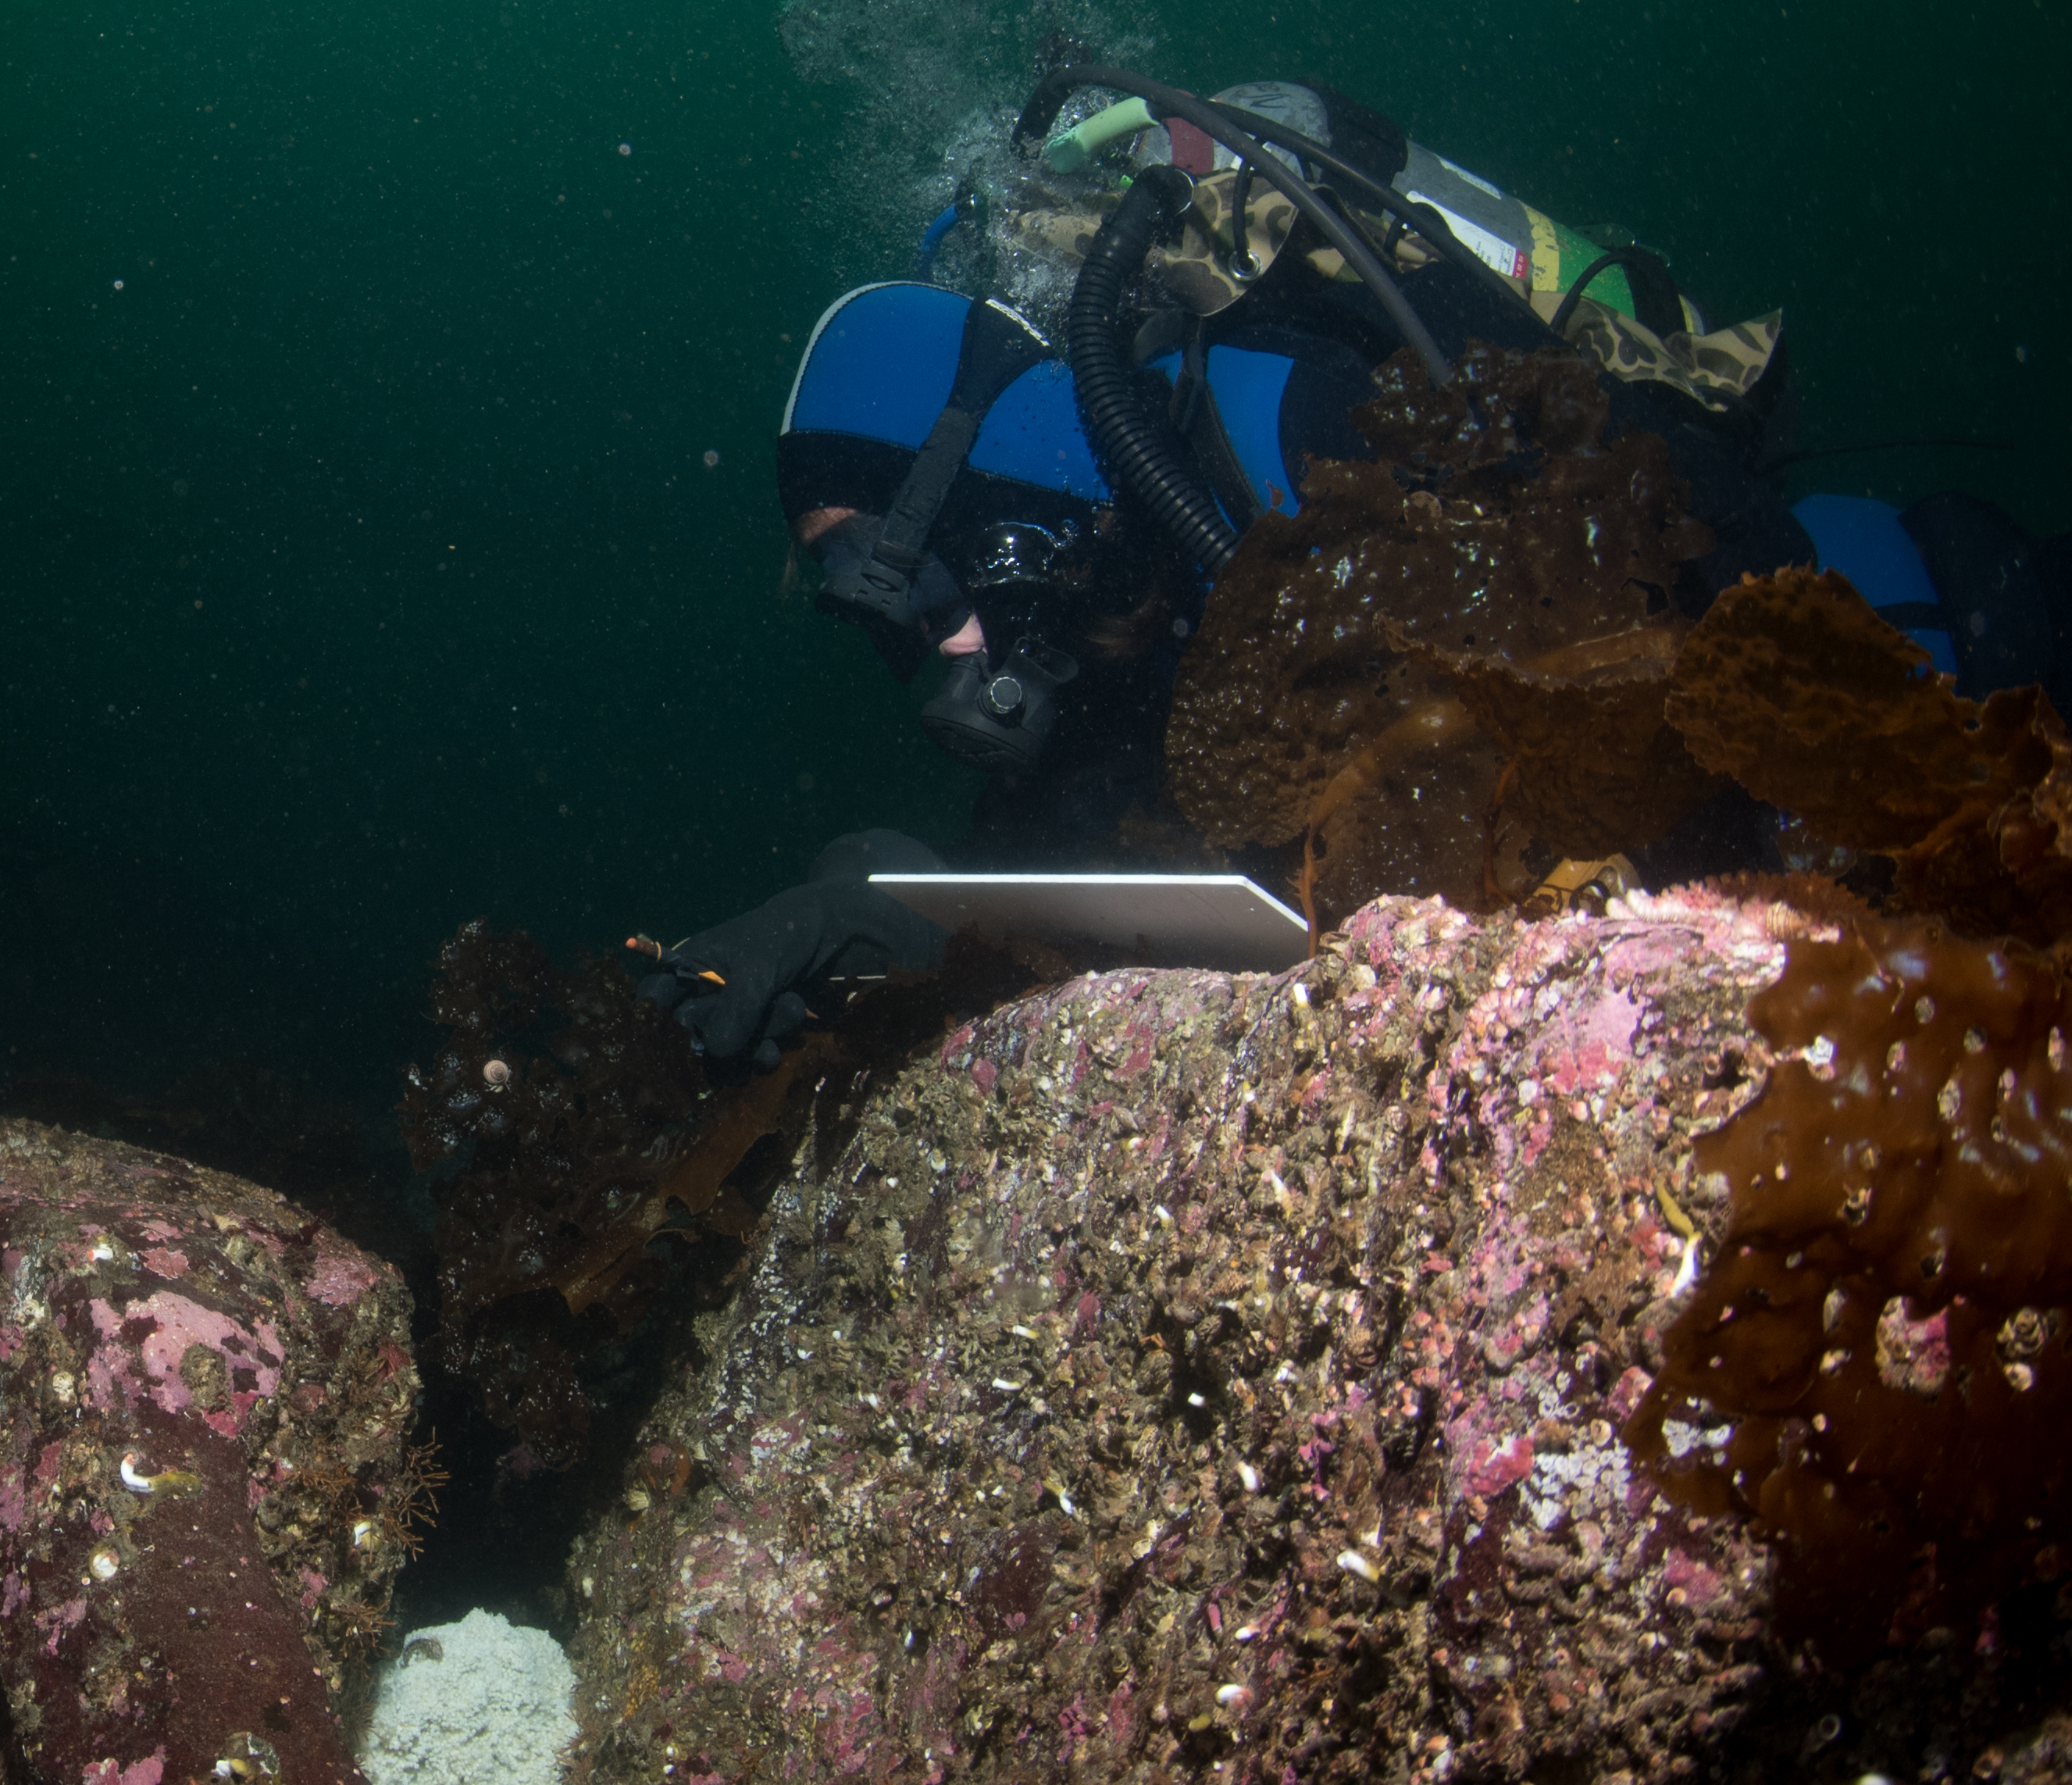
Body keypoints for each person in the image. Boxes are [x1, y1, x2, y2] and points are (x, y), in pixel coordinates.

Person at [642, 65, 2061, 1066]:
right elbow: (1095, 870)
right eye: (884, 636)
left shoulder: (1284, 423)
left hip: (1972, 656)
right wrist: (870, 898)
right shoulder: (1116, 598)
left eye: (908, 592)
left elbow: (1694, 548)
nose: (933, 659)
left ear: (986, 488)